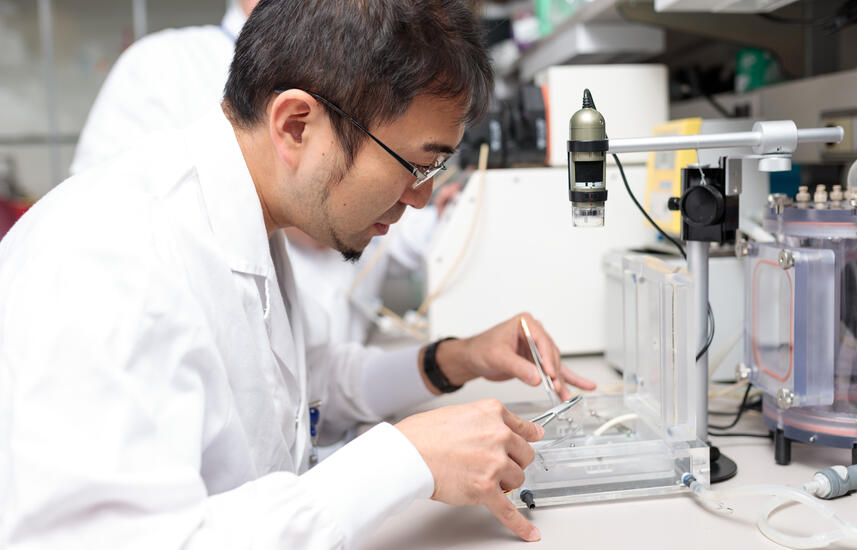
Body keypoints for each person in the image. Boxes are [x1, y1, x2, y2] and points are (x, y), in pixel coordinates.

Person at [0, 1, 595, 548]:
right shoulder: (113, 263)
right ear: (295, 125)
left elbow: (300, 389)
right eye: (416, 164)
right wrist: (402, 459)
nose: (423, 198)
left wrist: (456, 359)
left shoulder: (248, 220)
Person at [71, 0, 445, 347]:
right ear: (294, 127)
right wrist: (305, 198)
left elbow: (316, 384)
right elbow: (105, 220)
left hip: (319, 346)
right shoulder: (165, 67)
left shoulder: (365, 66)